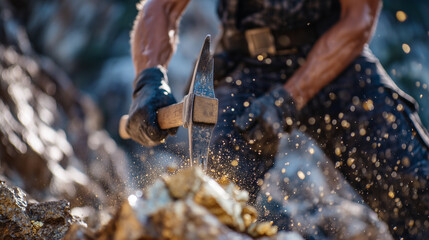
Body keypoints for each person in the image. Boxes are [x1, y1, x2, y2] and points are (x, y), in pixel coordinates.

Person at [126, 0, 429, 239]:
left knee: (417, 188)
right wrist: (149, 80)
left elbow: (359, 17)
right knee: (212, 200)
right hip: (244, 64)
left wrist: (288, 98)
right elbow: (162, 6)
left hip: (335, 56)